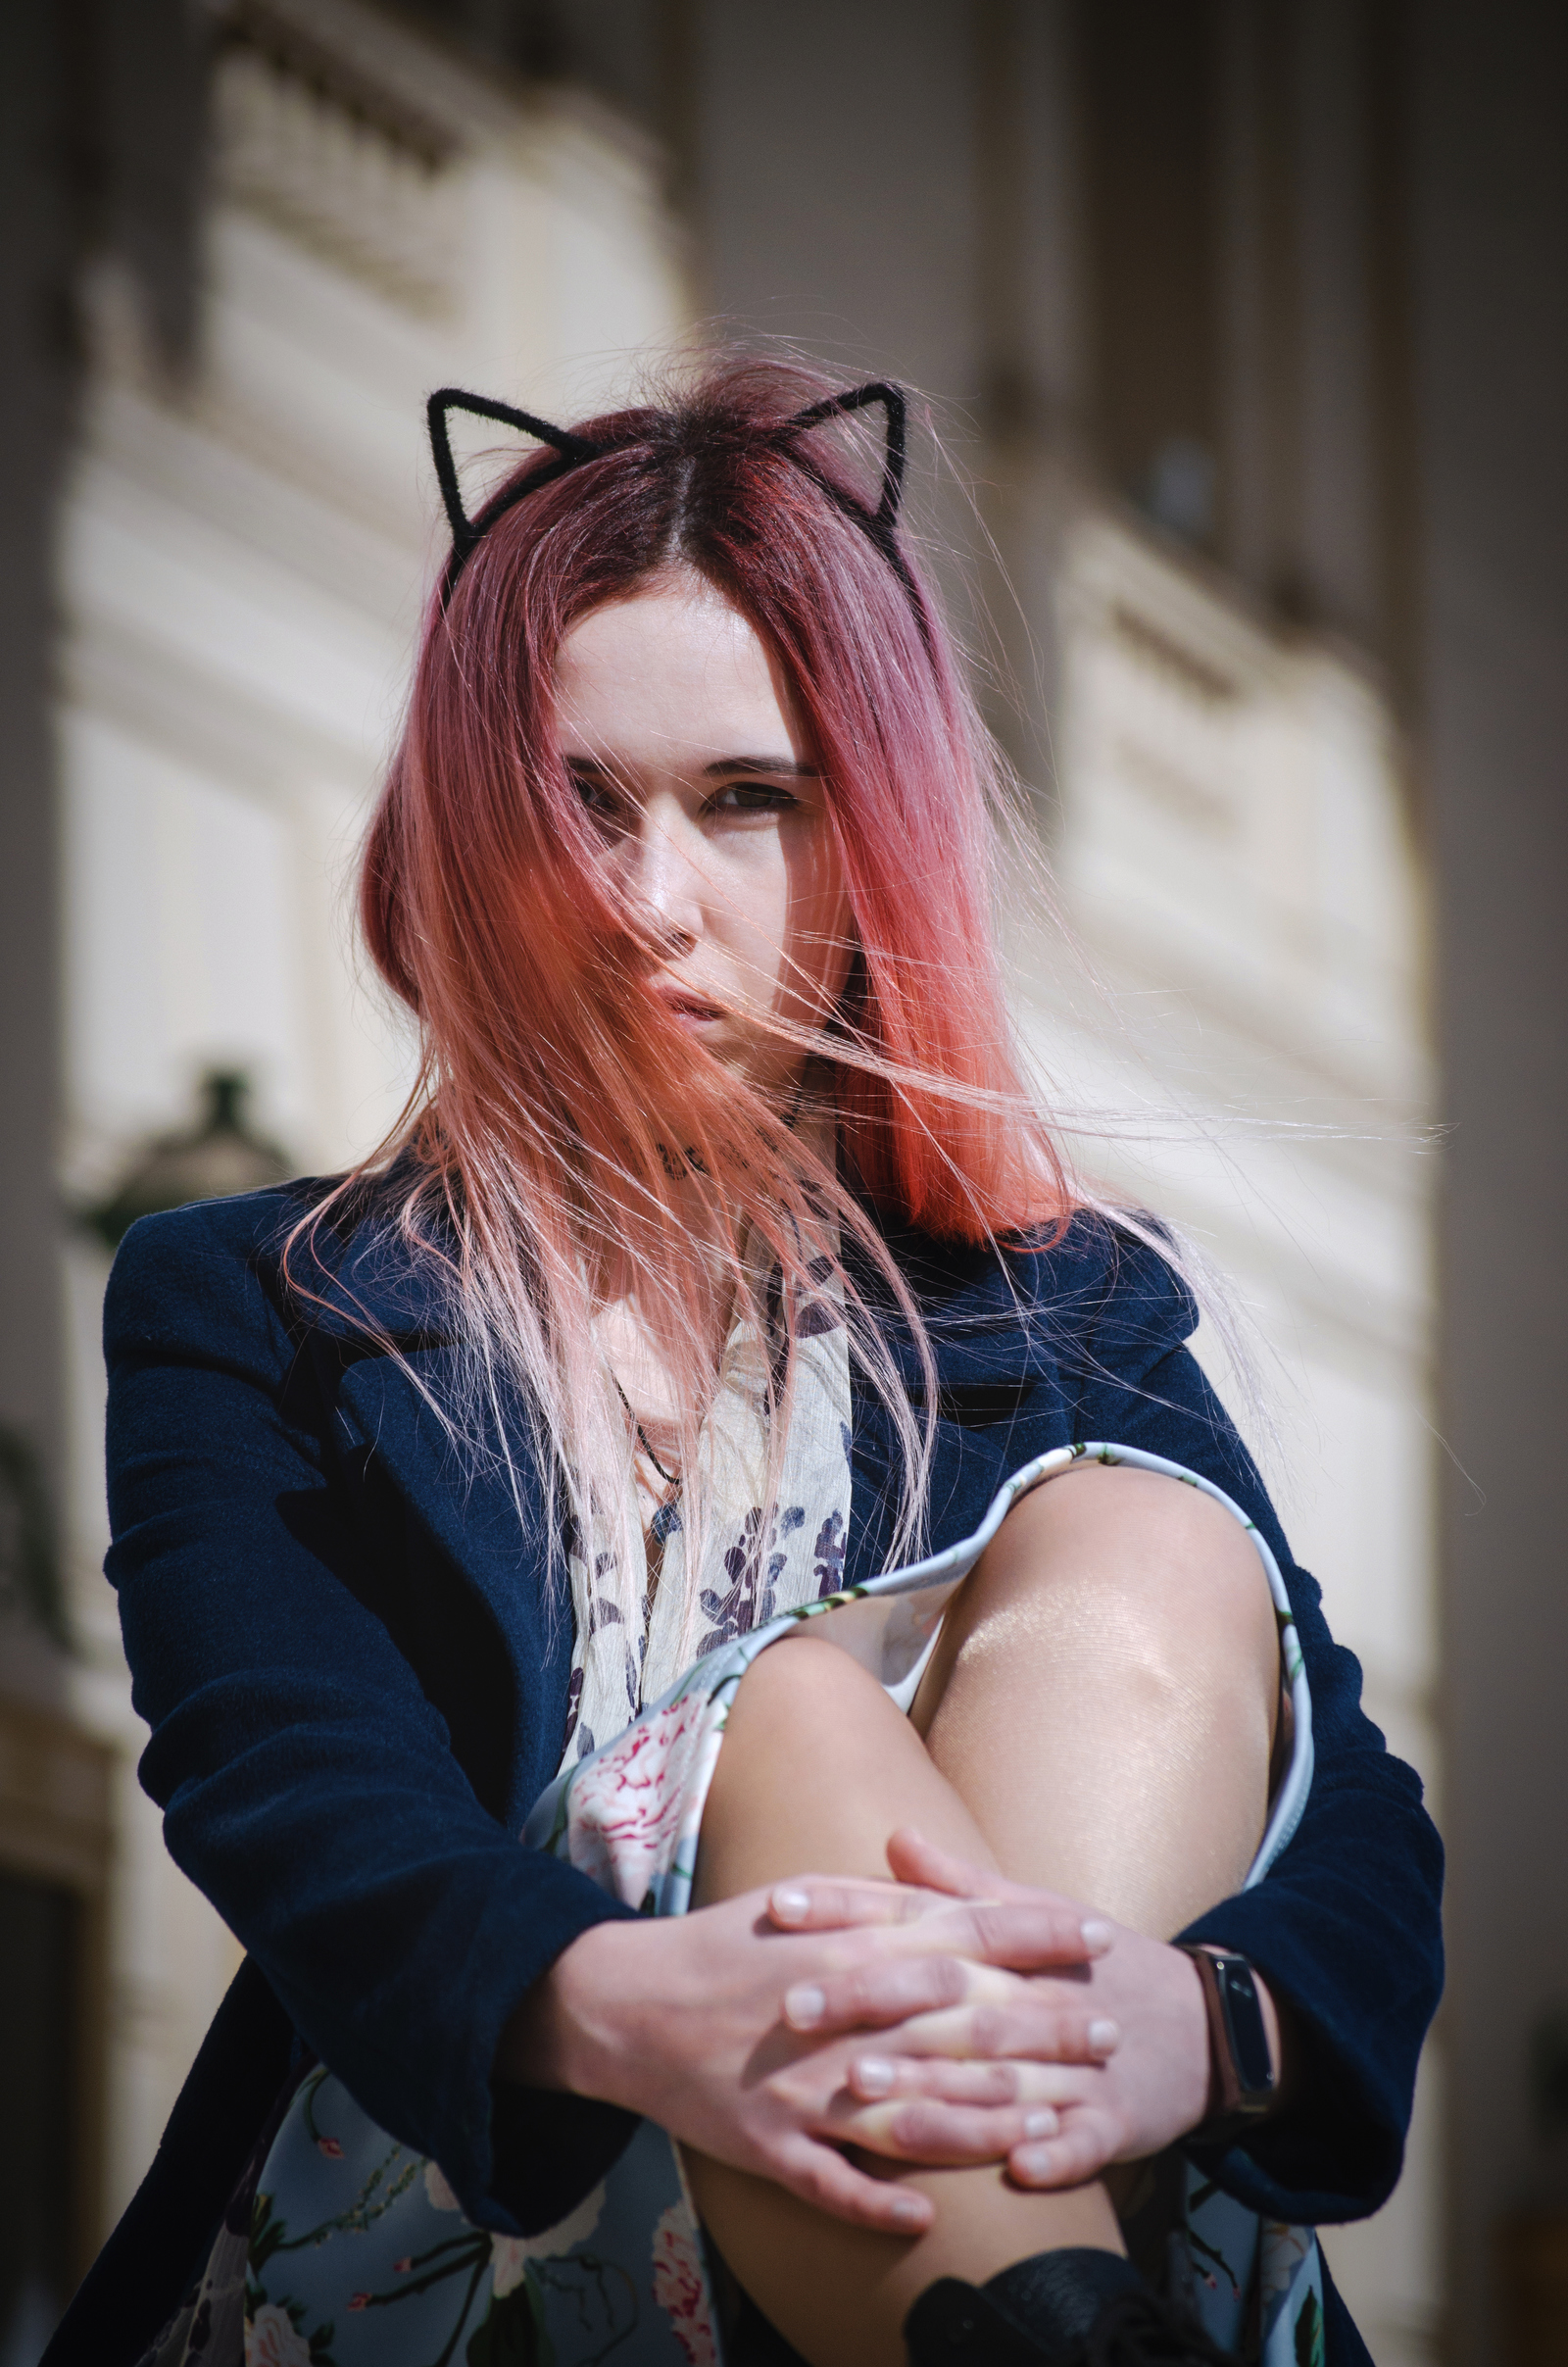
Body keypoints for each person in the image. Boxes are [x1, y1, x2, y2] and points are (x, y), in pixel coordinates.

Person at [48, 359, 1443, 2367]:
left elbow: (1350, 1806)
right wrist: (631, 2002)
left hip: (990, 2173)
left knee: (1150, 1546)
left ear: (861, 838)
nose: (643, 901)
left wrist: (1199, 2024)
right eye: (576, 800)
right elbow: (302, 1799)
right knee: (786, 1708)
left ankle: (1007, 2284)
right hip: (489, 2193)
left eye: (743, 802)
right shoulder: (253, 1295)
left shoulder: (1063, 1304)